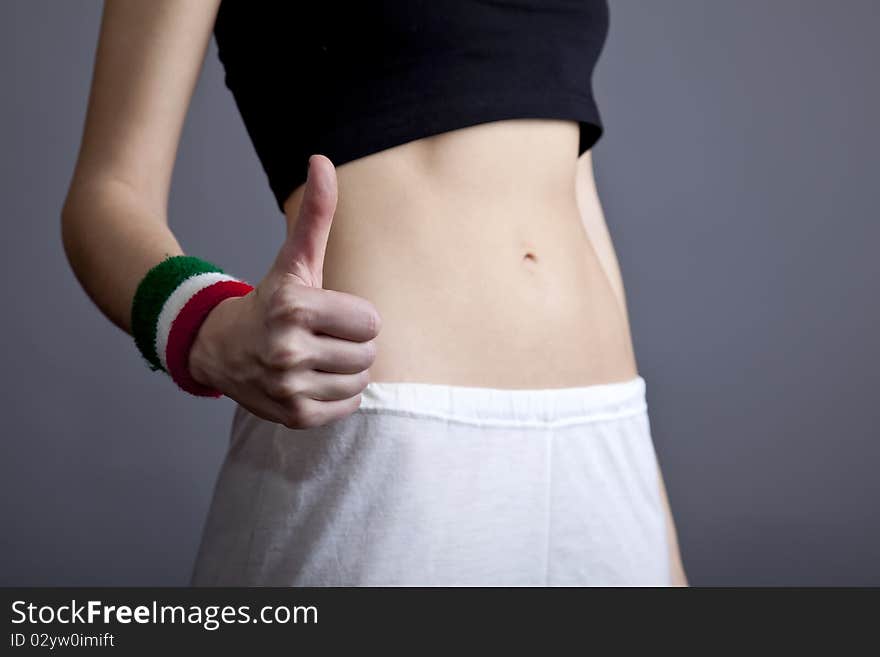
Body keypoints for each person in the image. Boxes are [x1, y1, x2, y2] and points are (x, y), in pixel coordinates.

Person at [61, 0, 688, 586]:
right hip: (388, 439)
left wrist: (652, 516)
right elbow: (108, 193)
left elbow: (570, 193)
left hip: (602, 440)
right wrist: (206, 328)